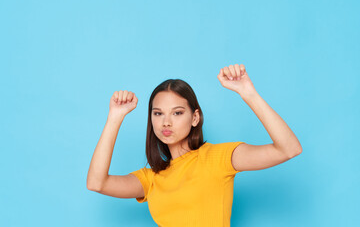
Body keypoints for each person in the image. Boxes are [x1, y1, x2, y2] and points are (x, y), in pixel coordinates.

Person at [87, 64, 303, 227]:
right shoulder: (151, 178)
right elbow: (96, 183)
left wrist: (248, 93)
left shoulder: (218, 158)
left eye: (177, 112)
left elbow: (289, 148)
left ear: (195, 118)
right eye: (158, 113)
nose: (166, 122)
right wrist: (115, 118)